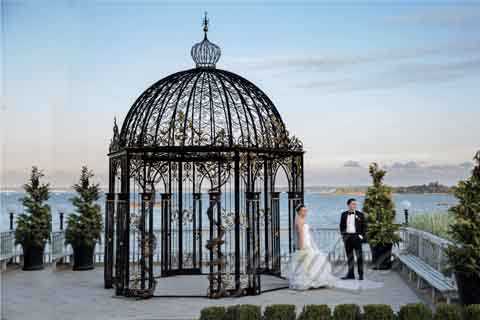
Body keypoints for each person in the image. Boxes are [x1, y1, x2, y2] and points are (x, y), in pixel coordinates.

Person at [287, 204, 336, 290]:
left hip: (308, 241)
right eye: (303, 210)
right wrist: (302, 247)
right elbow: (300, 235)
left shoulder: (301, 219)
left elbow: (306, 233)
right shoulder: (299, 221)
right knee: (307, 262)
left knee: (311, 261)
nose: (305, 212)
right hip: (305, 243)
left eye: (306, 210)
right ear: (298, 212)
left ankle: (313, 280)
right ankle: (307, 281)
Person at [339, 198, 367, 280]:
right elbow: (341, 226)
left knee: (359, 257)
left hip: (357, 238)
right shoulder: (343, 214)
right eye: (353, 204)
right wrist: (344, 236)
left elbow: (364, 227)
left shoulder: (360, 214)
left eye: (355, 204)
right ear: (348, 205)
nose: (355, 205)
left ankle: (361, 274)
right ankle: (351, 274)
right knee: (350, 257)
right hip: (347, 238)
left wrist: (361, 236)